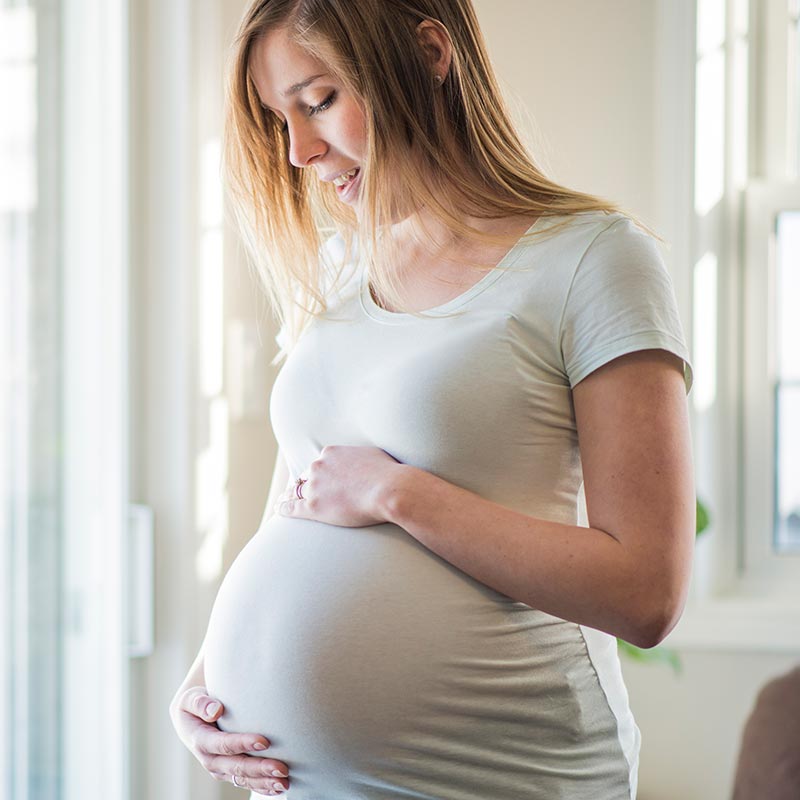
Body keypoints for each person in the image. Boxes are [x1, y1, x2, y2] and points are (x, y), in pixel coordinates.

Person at [169, 1, 696, 798]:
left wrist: (399, 492)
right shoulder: (341, 272)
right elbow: (302, 501)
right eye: (281, 119)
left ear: (429, 53)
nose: (300, 151)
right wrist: (204, 685)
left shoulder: (594, 259)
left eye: (318, 102)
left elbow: (647, 592)